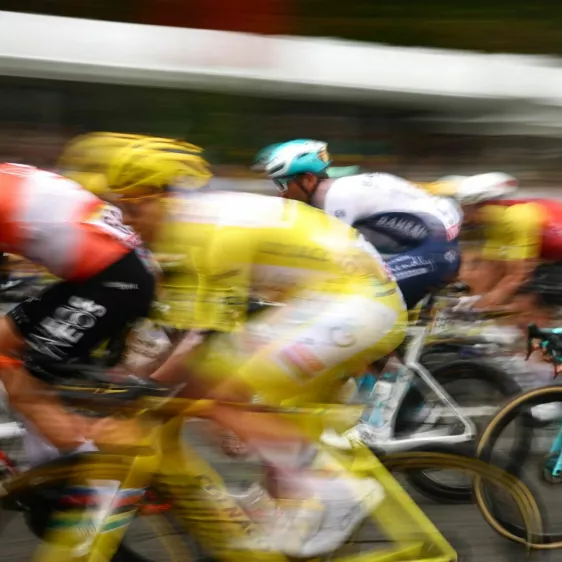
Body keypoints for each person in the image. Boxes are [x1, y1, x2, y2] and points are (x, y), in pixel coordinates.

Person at [62, 133, 407, 556]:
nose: (128, 220)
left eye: (135, 207)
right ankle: (292, 502)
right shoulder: (182, 230)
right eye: (122, 208)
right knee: (253, 409)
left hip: (357, 302)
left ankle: (339, 494)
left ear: (167, 197)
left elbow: (200, 340)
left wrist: (137, 392)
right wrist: (129, 381)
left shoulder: (207, 233)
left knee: (220, 392)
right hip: (332, 300)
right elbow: (172, 330)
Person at [0, 162, 157, 459]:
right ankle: (47, 463)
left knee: (26, 383)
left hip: (114, 279)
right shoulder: (6, 173)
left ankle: (91, 481)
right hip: (105, 273)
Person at [254, 140, 462, 310]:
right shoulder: (335, 190)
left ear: (308, 180)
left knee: (353, 308)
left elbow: (330, 261)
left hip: (431, 253)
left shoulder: (335, 198)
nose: (281, 193)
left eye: (282, 184)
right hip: (430, 248)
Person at [450, 171, 562, 325]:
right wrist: (472, 297)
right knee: (510, 299)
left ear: (484, 204)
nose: (464, 216)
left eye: (466, 209)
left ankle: (536, 353)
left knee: (527, 302)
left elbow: (518, 275)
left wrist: (480, 305)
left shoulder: (517, 217)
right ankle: (520, 346)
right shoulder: (495, 220)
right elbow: (491, 267)